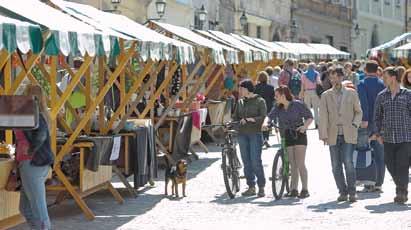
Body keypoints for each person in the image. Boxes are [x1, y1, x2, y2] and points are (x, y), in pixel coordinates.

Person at [319, 67, 363, 203]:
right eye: (331, 78)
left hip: (348, 133)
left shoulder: (351, 93)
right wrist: (323, 134)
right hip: (333, 134)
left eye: (336, 77)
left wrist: (355, 124)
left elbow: (358, 111)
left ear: (341, 77)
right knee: (335, 165)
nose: (333, 80)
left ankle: (352, 192)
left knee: (348, 163)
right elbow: (323, 116)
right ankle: (342, 191)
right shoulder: (325, 95)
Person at [15, 85, 54, 229]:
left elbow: (41, 134)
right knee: (26, 208)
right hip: (34, 164)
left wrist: (30, 149)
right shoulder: (37, 112)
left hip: (31, 164)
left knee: (38, 211)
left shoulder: (32, 112)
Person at [266, 86, 313, 198]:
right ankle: (293, 189)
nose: (275, 98)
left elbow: (309, 117)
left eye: (276, 96)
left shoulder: (297, 104)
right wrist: (265, 123)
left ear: (283, 95)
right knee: (293, 163)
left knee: (300, 163)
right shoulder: (278, 107)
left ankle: (305, 189)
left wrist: (304, 127)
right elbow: (269, 116)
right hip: (287, 134)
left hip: (299, 133)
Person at [374, 67, 411, 204]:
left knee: (402, 165)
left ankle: (401, 192)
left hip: (406, 137)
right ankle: (401, 187)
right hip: (388, 138)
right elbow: (377, 117)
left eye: (385, 77)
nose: (383, 80)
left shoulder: (407, 94)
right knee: (390, 164)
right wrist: (378, 134)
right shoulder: (381, 96)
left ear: (393, 78)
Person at [233, 79, 267, 197]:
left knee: (255, 161)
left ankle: (261, 186)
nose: (240, 91)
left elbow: (263, 117)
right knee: (246, 161)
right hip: (242, 134)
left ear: (248, 89)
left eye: (241, 88)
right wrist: (232, 124)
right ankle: (251, 186)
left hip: (255, 134)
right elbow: (235, 117)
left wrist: (251, 119)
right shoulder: (240, 102)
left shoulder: (260, 101)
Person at [356, 60, 386, 192]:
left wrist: (365, 119)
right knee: (380, 154)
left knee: (367, 151)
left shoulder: (362, 83)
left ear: (366, 70)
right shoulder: (383, 83)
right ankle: (379, 183)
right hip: (381, 122)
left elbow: (364, 103)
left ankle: (369, 182)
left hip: (367, 122)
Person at [255, 71, 275, 148]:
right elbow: (273, 98)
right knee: (266, 122)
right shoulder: (271, 87)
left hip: (258, 107)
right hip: (268, 106)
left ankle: (261, 139)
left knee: (259, 123)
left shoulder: (256, 87)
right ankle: (266, 139)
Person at [301, 62, 321, 128]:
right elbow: (318, 82)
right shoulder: (316, 74)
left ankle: (306, 124)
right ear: (314, 67)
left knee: (307, 109)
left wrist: (302, 93)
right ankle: (317, 123)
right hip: (314, 91)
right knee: (316, 109)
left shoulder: (304, 74)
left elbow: (302, 85)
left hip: (307, 91)